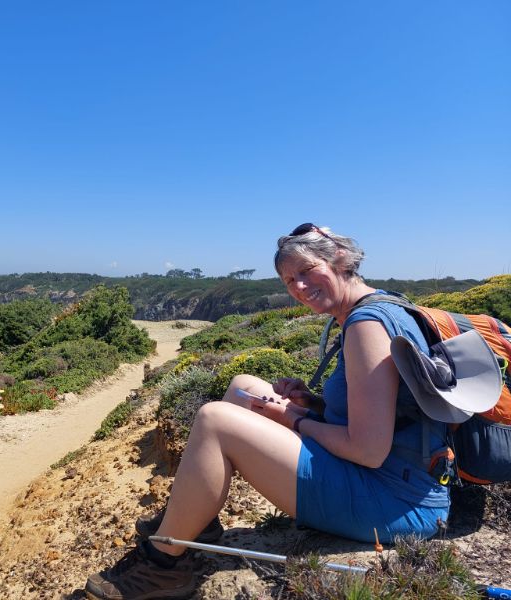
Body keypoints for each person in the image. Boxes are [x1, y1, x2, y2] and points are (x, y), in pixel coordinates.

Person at [85, 223, 451, 600]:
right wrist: (315, 403)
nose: (299, 287)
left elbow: (368, 450)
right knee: (243, 386)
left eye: (307, 271)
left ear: (340, 259)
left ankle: (163, 565)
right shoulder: (381, 304)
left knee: (215, 420)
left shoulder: (366, 326)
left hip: (395, 506)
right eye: (289, 279)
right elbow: (386, 410)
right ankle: (197, 518)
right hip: (391, 477)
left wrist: (294, 419)